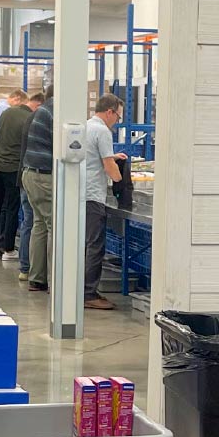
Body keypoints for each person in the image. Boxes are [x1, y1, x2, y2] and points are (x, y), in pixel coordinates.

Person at [83, 93, 128, 310]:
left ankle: (78, 289)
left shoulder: (86, 126)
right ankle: (88, 294)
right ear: (109, 112)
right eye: (117, 117)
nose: (116, 121)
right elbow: (110, 169)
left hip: (80, 193)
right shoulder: (102, 131)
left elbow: (94, 158)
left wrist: (112, 157)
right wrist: (122, 180)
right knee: (95, 246)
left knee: (82, 245)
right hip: (92, 195)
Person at [0, 89, 30, 262]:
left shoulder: (4, 112)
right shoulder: (27, 118)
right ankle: (8, 249)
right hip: (11, 168)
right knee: (11, 209)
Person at [21, 86, 55, 289]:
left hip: (29, 174)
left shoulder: (41, 111)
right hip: (44, 176)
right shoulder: (55, 112)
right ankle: (54, 281)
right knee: (54, 227)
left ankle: (36, 277)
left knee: (39, 225)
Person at [17, 91, 46, 285]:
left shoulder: (30, 120)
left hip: (25, 174)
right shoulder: (41, 118)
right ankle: (41, 274)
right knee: (41, 225)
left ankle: (26, 269)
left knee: (33, 223)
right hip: (39, 177)